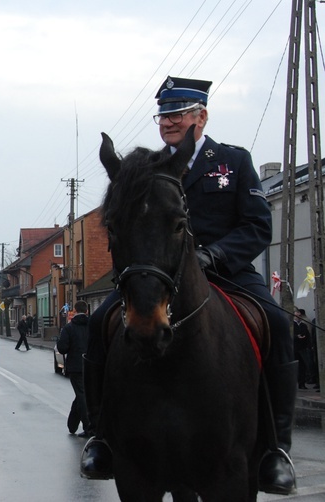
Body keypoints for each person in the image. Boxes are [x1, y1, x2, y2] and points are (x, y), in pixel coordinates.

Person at [79, 76, 298, 495]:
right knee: (99, 323)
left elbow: (257, 226)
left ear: (201, 115)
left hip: (227, 273)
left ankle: (275, 450)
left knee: (277, 323)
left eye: (177, 114)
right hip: (160, 275)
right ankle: (101, 437)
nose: (169, 122)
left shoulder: (232, 161)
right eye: (164, 115)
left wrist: (213, 255)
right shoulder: (149, 168)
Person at [57, 300, 91, 437]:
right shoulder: (93, 326)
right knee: (82, 394)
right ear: (87, 311)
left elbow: (62, 348)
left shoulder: (69, 328)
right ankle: (72, 425)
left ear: (75, 311)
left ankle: (89, 427)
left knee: (81, 395)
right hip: (91, 365)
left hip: (76, 366)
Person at [294, 308, 312, 390]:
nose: (298, 317)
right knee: (295, 366)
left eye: (299, 315)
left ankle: (302, 383)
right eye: (296, 315)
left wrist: (309, 345)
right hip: (294, 348)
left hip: (302, 348)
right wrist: (296, 336)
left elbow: (308, 336)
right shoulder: (292, 325)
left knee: (302, 366)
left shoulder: (303, 325)